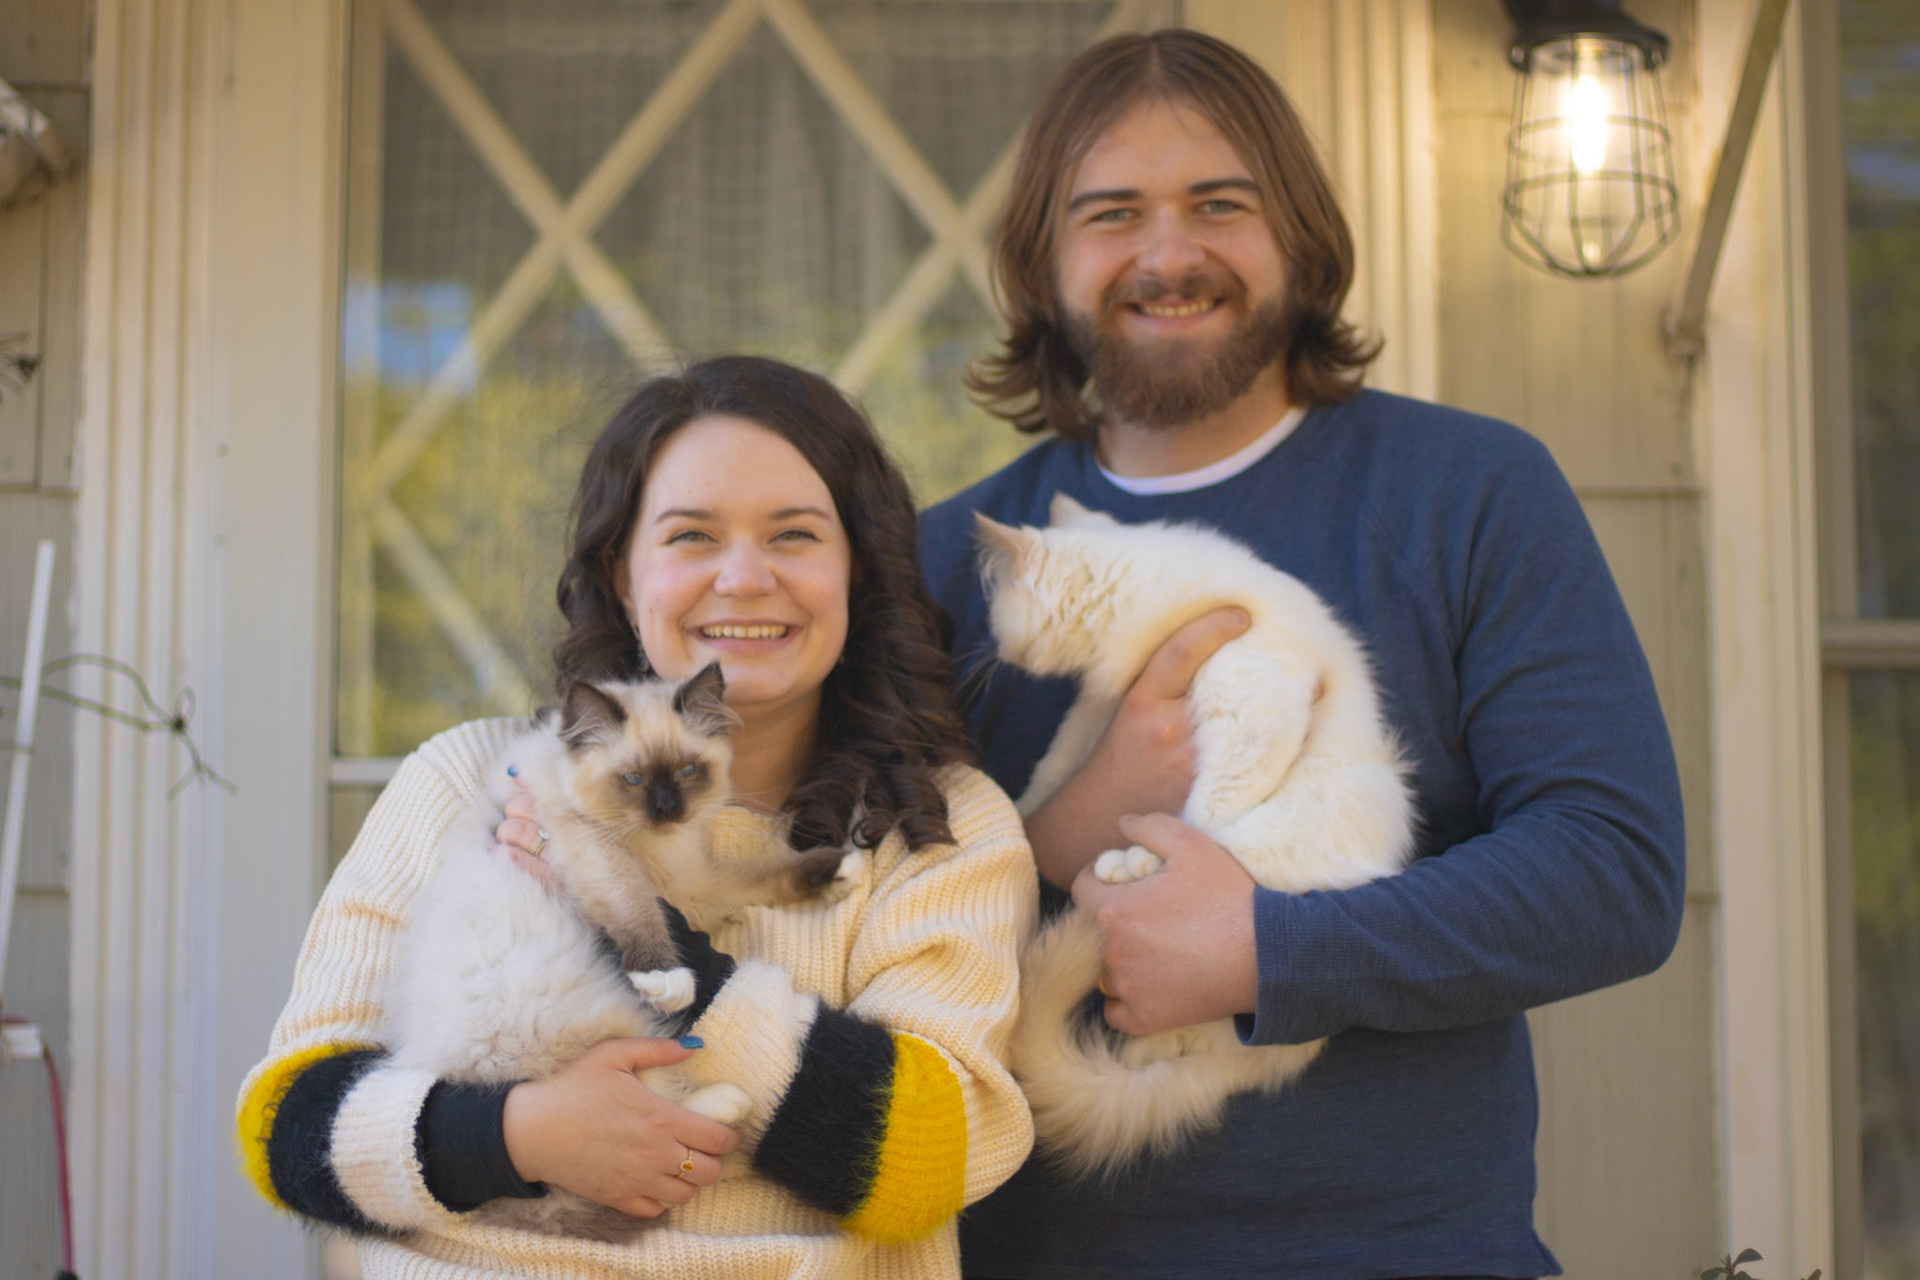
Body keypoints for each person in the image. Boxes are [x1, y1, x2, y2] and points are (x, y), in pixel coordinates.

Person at [916, 29, 1685, 1279]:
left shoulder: (1470, 493)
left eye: (1221, 204)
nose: (1169, 255)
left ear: (1302, 235)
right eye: (1113, 214)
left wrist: (1269, 949)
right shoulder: (947, 563)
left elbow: (1613, 870)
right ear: (1042, 262)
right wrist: (1058, 832)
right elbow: (850, 938)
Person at [236, 356, 1038, 1278]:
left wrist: (669, 958)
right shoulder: (466, 779)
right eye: (692, 536)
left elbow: (926, 1161)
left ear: (857, 570)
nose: (744, 577)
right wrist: (512, 1135)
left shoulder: (939, 828)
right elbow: (285, 1132)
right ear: (622, 575)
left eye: (795, 535)